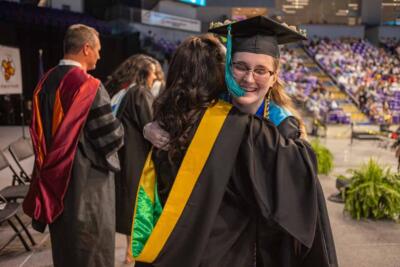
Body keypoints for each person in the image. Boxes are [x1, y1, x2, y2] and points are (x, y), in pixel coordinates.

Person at [145, 16, 337, 266]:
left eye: (260, 70)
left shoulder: (284, 128)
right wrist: (149, 127)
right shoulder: (207, 113)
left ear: (274, 76)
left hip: (264, 252)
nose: (248, 78)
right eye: (240, 67)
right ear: (226, 68)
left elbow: (299, 209)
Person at [23, 24, 124, 267]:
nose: (100, 55)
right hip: (86, 184)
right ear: (86, 48)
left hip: (54, 181)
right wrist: (121, 129)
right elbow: (110, 138)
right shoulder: (89, 87)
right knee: (91, 247)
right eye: (98, 49)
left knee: (65, 244)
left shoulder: (43, 84)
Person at [104, 54, 163, 264]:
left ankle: (130, 252)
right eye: (154, 74)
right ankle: (134, 253)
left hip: (123, 157)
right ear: (144, 73)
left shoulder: (121, 92)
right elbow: (152, 125)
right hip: (137, 158)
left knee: (130, 206)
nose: (155, 78)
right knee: (139, 208)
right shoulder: (139, 93)